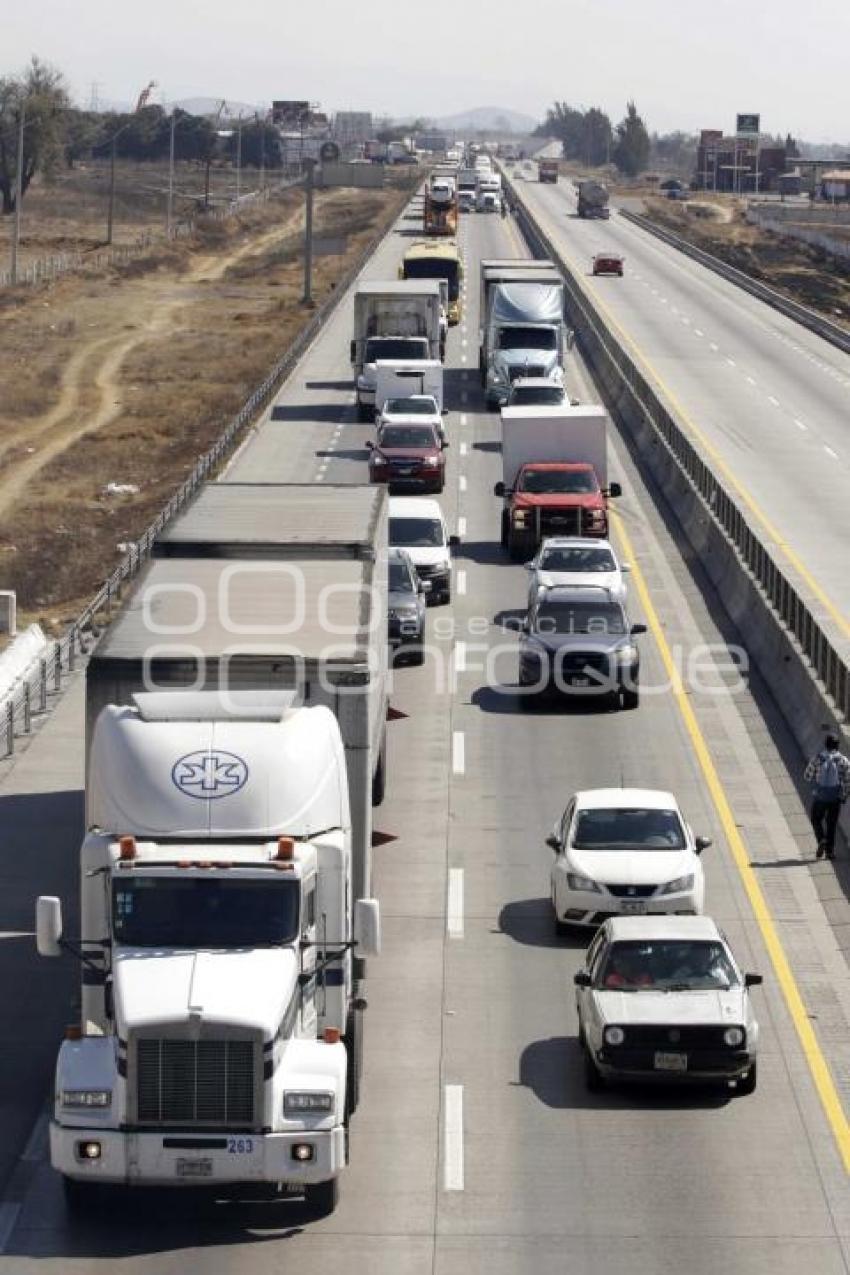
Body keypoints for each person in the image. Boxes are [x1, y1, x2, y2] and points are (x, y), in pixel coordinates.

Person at [804, 733, 850, 859]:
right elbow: (848, 781)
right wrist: (844, 795)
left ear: (826, 745)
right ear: (838, 746)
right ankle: (830, 852)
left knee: (815, 819)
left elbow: (807, 776)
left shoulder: (818, 758)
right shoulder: (844, 761)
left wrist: (816, 780)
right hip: (835, 798)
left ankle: (821, 839)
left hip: (820, 797)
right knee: (832, 824)